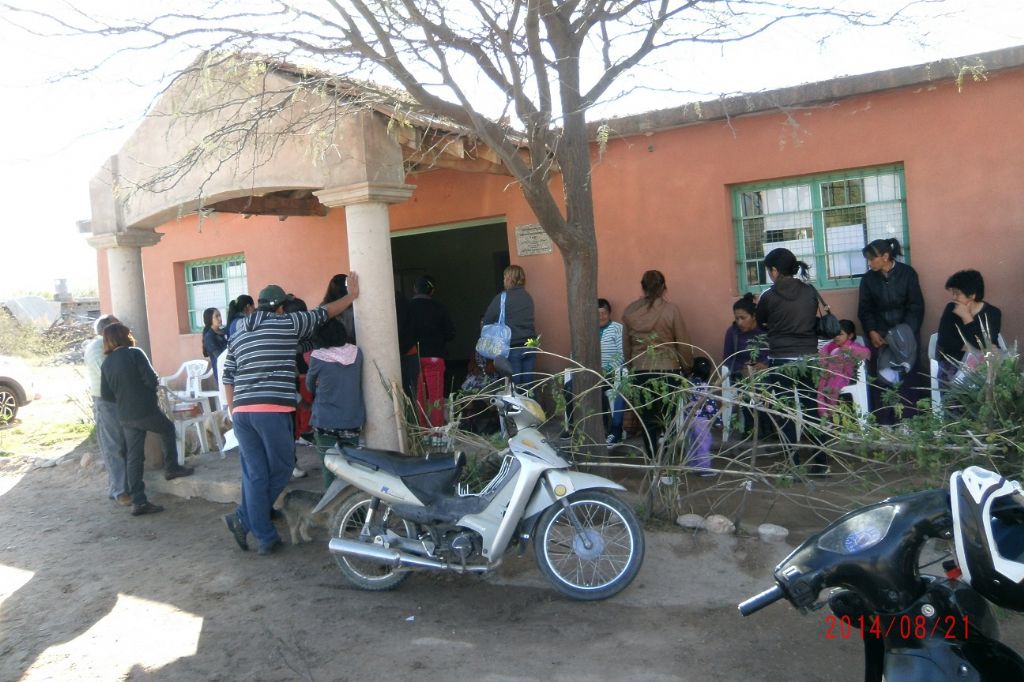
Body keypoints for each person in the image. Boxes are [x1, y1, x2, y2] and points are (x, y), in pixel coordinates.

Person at [221, 274, 358, 555]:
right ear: (281, 308)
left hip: (243, 412)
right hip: (270, 411)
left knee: (255, 474)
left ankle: (262, 534)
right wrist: (351, 296)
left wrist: (234, 411)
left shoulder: (239, 332)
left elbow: (228, 375)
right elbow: (323, 312)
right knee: (282, 468)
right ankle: (245, 519)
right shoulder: (286, 323)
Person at [100, 323, 195, 516]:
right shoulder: (135, 353)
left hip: (125, 414)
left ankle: (139, 501)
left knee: (134, 457)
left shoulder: (106, 363)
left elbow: (106, 395)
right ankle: (171, 467)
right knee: (167, 429)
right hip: (145, 408)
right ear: (124, 336)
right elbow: (152, 380)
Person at [755, 248, 823, 470]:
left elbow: (760, 321)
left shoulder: (768, 295)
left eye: (769, 270)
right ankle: (821, 463)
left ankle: (793, 464)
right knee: (811, 409)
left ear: (775, 270)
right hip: (808, 358)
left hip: (781, 358)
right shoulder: (810, 291)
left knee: (785, 411)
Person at [622, 270, 692, 455]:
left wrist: (631, 367)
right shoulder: (671, 310)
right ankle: (668, 459)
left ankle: (652, 456)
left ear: (642, 287)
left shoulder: (630, 311)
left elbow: (626, 347)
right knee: (669, 417)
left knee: (647, 419)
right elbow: (683, 343)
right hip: (668, 370)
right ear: (664, 287)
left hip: (641, 370)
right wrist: (687, 367)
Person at [857, 238, 925, 423]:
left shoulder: (908, 274)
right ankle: (885, 422)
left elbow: (916, 306)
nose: (869, 263)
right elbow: (865, 309)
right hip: (879, 336)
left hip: (906, 336)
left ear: (885, 257)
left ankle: (908, 421)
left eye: (872, 259)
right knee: (882, 377)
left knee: (907, 377)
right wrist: (872, 331)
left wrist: (902, 334)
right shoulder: (868, 280)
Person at [306, 319, 365, 491]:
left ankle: (332, 503)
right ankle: (353, 504)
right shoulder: (357, 353)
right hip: (352, 419)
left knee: (328, 467)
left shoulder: (318, 356)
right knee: (352, 467)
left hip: (325, 420)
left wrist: (319, 386)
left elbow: (309, 385)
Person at [84, 314, 128, 505]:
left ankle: (118, 488)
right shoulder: (97, 347)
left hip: (114, 400)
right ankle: (120, 491)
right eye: (117, 326)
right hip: (107, 402)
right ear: (107, 329)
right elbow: (110, 375)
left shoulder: (104, 346)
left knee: (120, 444)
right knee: (113, 446)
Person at [936, 269, 1002, 383]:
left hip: (983, 366)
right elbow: (943, 341)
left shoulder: (993, 313)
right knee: (952, 384)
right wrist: (972, 348)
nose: (953, 297)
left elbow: (986, 344)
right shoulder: (951, 308)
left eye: (957, 293)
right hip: (954, 362)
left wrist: (967, 318)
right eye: (953, 293)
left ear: (972, 295)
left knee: (989, 385)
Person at [409, 275, 456, 428]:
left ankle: (421, 430)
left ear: (414, 289)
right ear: (432, 291)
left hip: (413, 357)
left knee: (419, 397)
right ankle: (437, 431)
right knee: (436, 397)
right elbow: (450, 333)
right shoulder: (439, 308)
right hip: (435, 357)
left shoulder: (408, 308)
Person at [483, 265, 537, 386]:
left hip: (512, 347)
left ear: (508, 278)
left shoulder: (502, 298)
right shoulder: (528, 297)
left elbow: (487, 321)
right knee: (528, 388)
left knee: (514, 388)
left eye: (504, 277)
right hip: (531, 345)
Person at [816, 319, 870, 418]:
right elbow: (822, 357)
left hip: (845, 375)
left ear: (850, 335)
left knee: (834, 385)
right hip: (828, 374)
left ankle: (832, 412)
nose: (836, 336)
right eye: (835, 334)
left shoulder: (852, 346)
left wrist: (850, 350)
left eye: (840, 334)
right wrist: (824, 367)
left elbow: (866, 353)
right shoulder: (830, 346)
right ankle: (822, 412)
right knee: (820, 386)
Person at [684, 357, 719, 477]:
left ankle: (692, 465)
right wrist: (717, 420)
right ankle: (704, 468)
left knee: (692, 442)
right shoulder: (704, 387)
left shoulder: (687, 384)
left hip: (688, 418)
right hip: (701, 420)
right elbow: (710, 406)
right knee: (703, 442)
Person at [722, 293, 767, 376]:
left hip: (765, 375)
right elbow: (727, 359)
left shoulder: (765, 331)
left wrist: (765, 365)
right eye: (737, 318)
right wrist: (742, 368)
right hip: (741, 377)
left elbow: (775, 356)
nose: (739, 322)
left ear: (753, 316)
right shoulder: (733, 332)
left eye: (743, 318)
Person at [321, 274, 356, 344]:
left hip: (327, 345)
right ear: (347, 289)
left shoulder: (323, 308)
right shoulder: (353, 308)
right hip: (349, 345)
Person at [201, 307, 228, 381]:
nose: (220, 318)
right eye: (216, 316)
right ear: (210, 319)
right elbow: (219, 356)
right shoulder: (209, 337)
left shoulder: (224, 332)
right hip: (221, 371)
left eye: (220, 315)